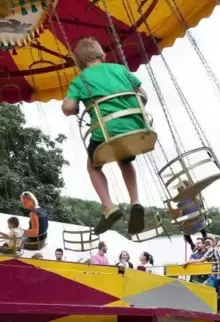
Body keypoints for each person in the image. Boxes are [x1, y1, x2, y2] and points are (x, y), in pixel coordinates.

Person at [61, 37, 148, 235]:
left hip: (106, 132)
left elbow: (68, 107)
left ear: (79, 61)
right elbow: (142, 94)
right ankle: (135, 201)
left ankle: (108, 206)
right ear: (102, 54)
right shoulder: (120, 70)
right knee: (124, 160)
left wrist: (72, 108)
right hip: (135, 127)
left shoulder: (80, 79)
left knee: (93, 166)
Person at [167, 180, 208, 250]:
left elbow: (178, 212)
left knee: (185, 232)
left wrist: (170, 210)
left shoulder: (180, 201)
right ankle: (205, 237)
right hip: (198, 221)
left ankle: (191, 244)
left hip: (189, 224)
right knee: (202, 226)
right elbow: (200, 205)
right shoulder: (195, 196)